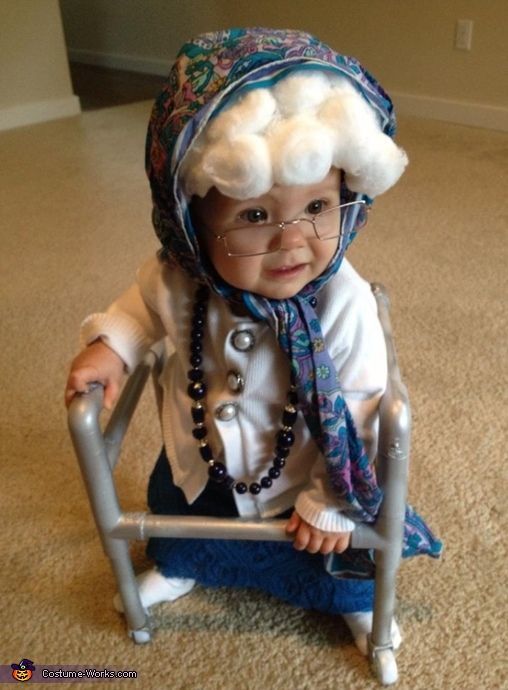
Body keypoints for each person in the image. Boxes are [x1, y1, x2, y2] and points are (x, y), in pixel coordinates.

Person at [65, 28, 441, 655]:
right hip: (200, 459)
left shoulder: (340, 301)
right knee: (184, 517)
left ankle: (351, 602)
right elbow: (137, 311)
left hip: (304, 475)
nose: (294, 242)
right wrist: (111, 348)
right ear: (191, 224)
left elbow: (364, 407)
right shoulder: (178, 276)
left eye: (319, 205)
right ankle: (189, 564)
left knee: (329, 552)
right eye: (256, 216)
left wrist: (328, 500)